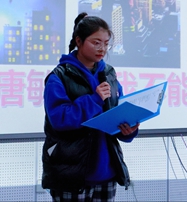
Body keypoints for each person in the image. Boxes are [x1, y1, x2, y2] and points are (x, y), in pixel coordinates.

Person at [42, 13, 139, 202]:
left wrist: (128, 130)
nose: (102, 48)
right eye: (96, 43)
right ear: (79, 41)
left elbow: (116, 113)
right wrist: (94, 99)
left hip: (107, 173)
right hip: (71, 174)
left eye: (106, 43)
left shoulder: (109, 74)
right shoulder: (59, 77)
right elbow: (60, 119)